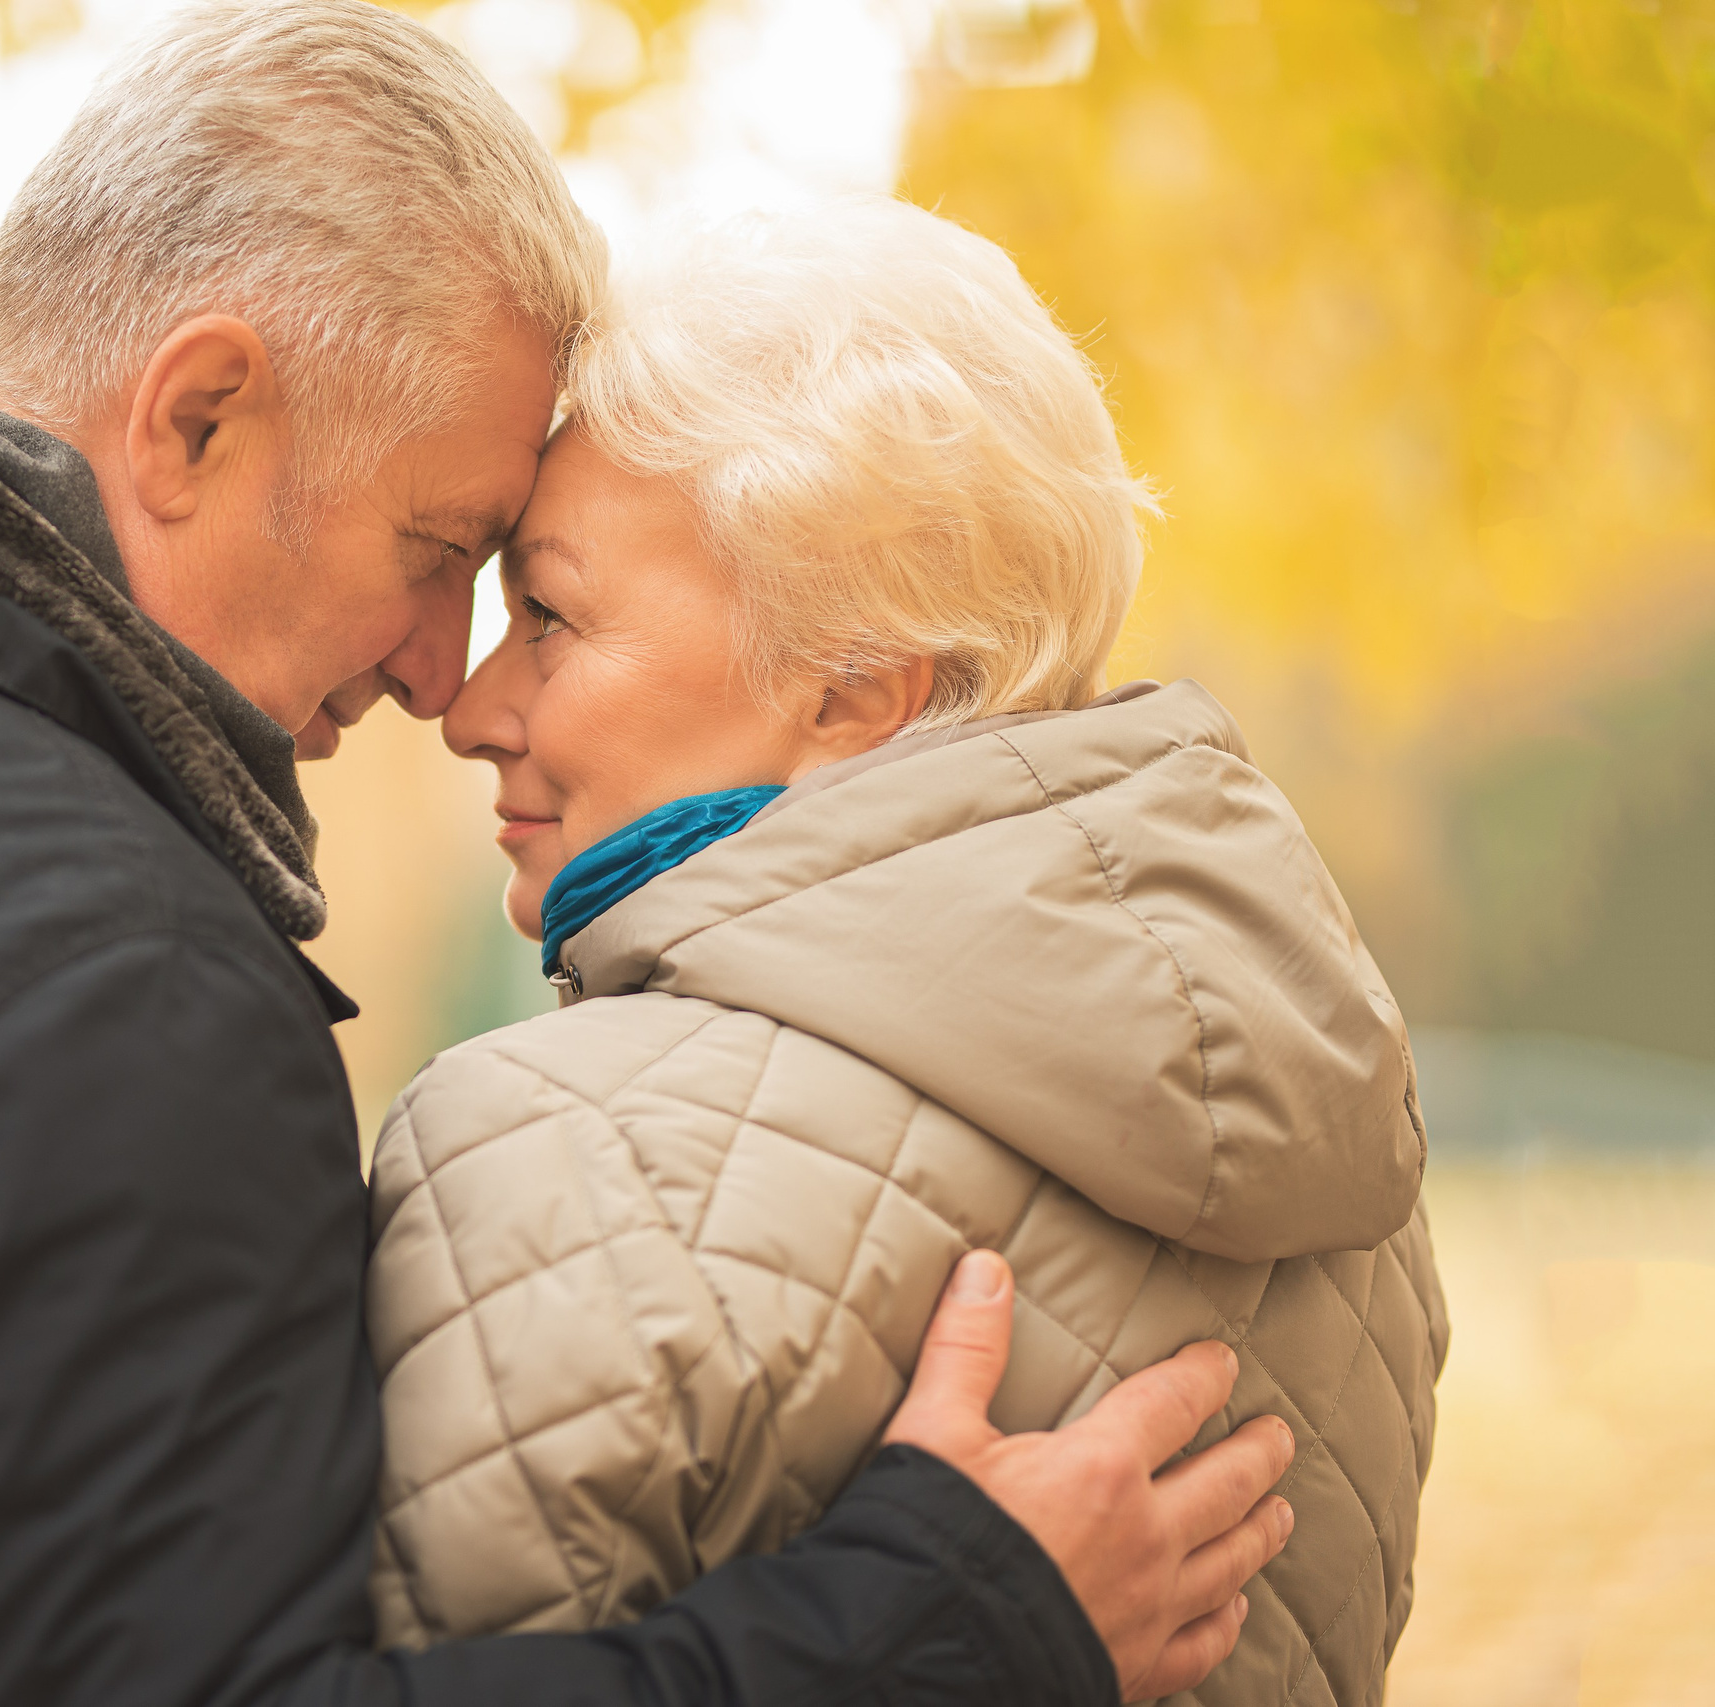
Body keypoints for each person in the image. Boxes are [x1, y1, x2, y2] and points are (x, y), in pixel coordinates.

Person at [0, 7, 1294, 1705]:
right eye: (436, 553)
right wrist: (940, 1622)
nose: (441, 671)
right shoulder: (97, 973)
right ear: (196, 420)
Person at [364, 201, 1448, 1706]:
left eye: (548, 615)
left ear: (860, 688)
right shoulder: (1347, 1187)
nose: (470, 706)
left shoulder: (548, 1151)